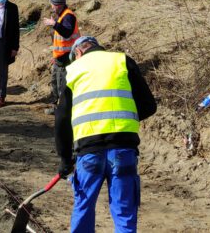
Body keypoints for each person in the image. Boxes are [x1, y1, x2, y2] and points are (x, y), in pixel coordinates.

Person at [54, 36, 157, 233]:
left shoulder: (73, 70)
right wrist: (125, 118)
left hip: (88, 150)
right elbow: (149, 105)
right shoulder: (122, 61)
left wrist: (65, 159)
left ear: (78, 53)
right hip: (123, 148)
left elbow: (62, 119)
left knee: (84, 207)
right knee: (124, 212)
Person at [42, 0, 79, 113]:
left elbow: (67, 33)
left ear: (58, 5)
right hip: (59, 58)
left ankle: (62, 110)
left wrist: (54, 24)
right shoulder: (62, 15)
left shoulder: (68, 16)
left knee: (62, 85)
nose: (51, 7)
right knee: (55, 82)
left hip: (67, 58)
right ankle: (56, 106)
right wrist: (55, 56)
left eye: (52, 4)